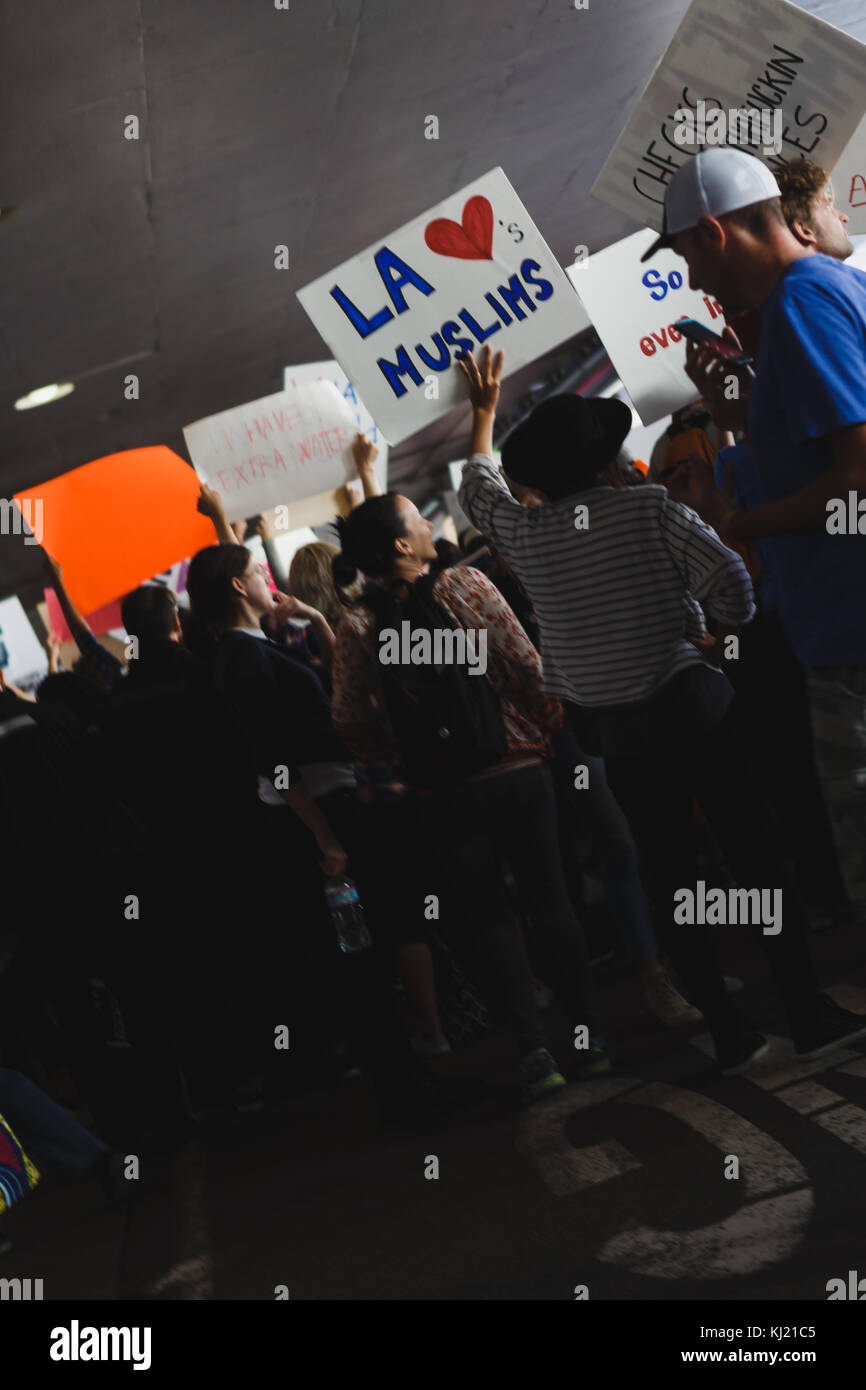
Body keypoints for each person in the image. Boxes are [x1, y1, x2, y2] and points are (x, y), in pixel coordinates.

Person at [457, 343, 866, 1071]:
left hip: (618, 737)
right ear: (608, 459)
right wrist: (708, 631)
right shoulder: (648, 509)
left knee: (671, 877)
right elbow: (733, 585)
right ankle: (804, 1012)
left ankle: (728, 1030)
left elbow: (478, 490)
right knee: (755, 862)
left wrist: (482, 414)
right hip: (698, 709)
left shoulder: (526, 534)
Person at [643, 146, 866, 922]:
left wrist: (739, 522)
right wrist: (737, 421)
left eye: (687, 259)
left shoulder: (801, 304)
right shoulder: (829, 289)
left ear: (714, 232)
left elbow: (858, 477)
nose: (695, 283)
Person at [330, 490, 609, 1103]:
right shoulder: (467, 589)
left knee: (487, 922)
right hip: (517, 771)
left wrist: (394, 761)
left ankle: (535, 1054)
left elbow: (350, 718)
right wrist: (544, 727)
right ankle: (589, 1044)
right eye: (419, 520)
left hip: (441, 794)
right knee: (550, 902)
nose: (432, 526)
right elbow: (528, 668)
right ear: (403, 545)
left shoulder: (356, 625)